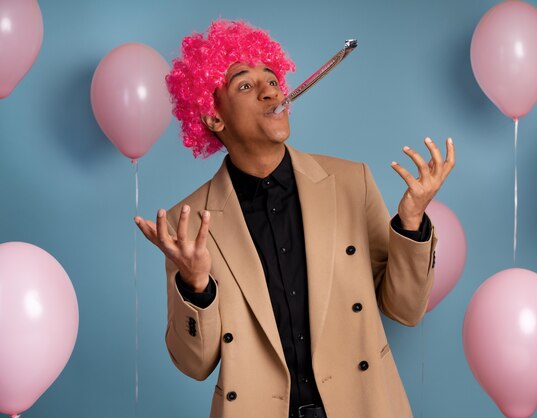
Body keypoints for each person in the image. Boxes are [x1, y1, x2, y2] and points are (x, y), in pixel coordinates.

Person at [134, 19, 454, 418]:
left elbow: (405, 309)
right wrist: (196, 284)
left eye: (271, 78)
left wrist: (410, 222)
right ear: (214, 118)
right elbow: (193, 364)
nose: (270, 89)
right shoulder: (191, 225)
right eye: (245, 85)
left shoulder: (352, 182)